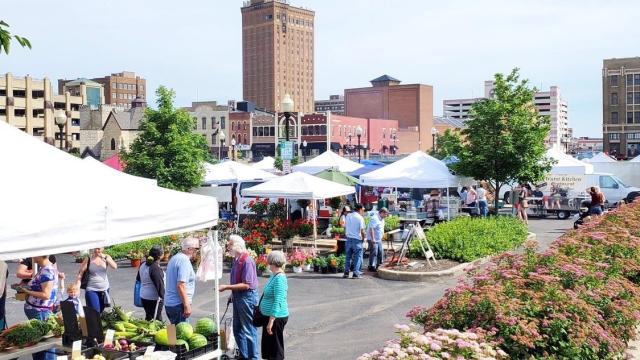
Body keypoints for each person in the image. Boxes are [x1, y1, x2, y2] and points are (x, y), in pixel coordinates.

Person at [219, 235, 260, 360]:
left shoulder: (247, 260)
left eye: (230, 244)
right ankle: (244, 355)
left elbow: (247, 285)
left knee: (248, 329)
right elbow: (238, 280)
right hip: (238, 296)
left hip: (246, 297)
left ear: (237, 245)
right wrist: (232, 293)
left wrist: (227, 287)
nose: (228, 246)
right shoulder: (237, 259)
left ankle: (253, 357)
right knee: (237, 328)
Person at [22, 255, 58, 360]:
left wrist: (27, 291)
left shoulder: (47, 271)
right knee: (40, 343)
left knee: (43, 344)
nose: (32, 256)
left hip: (40, 311)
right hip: (38, 311)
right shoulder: (45, 268)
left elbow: (46, 294)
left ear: (40, 256)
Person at [259, 251, 289, 360]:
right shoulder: (273, 275)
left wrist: (271, 320)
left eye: (268, 261)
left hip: (276, 318)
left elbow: (279, 300)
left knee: (275, 350)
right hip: (269, 317)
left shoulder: (279, 278)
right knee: (269, 349)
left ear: (272, 262)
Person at [165, 237, 199, 324]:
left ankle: (171, 338)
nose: (197, 252)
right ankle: (173, 338)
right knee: (181, 335)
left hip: (169, 304)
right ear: (189, 249)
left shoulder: (174, 258)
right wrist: (186, 305)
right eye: (197, 249)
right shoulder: (184, 261)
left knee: (172, 333)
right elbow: (181, 285)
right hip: (178, 305)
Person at [77, 248, 116, 314]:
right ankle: (92, 323)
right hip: (91, 288)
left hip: (104, 289)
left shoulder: (106, 257)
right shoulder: (88, 259)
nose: (96, 250)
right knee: (94, 311)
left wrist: (105, 257)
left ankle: (96, 323)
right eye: (95, 248)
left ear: (102, 248)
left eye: (98, 249)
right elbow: (80, 273)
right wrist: (77, 287)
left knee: (101, 309)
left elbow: (114, 266)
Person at [136, 245, 165, 321]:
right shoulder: (155, 268)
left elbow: (138, 278)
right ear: (160, 256)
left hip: (144, 296)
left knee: (149, 318)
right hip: (154, 298)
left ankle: (147, 331)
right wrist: (165, 298)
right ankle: (171, 333)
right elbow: (160, 286)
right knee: (157, 320)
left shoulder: (143, 264)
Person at [343, 204, 366, 279]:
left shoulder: (348, 216)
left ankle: (346, 273)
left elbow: (345, 227)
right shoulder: (360, 218)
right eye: (363, 209)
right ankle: (355, 273)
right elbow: (362, 231)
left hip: (349, 238)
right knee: (357, 257)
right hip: (357, 239)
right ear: (360, 209)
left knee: (348, 257)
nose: (363, 211)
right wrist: (363, 239)